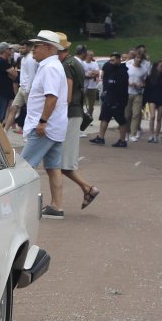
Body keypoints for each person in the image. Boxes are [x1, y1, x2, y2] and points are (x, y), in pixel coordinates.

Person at [18, 30, 69, 219]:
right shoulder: (52, 66)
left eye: (36, 46)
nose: (33, 49)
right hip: (54, 126)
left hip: (45, 127)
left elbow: (51, 97)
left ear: (48, 47)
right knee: (53, 167)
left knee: (24, 167)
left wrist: (42, 121)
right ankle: (57, 206)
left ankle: (20, 207)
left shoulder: (50, 68)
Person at [57, 37, 101, 209]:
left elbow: (67, 96)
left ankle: (87, 188)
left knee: (62, 162)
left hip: (70, 113)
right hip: (74, 113)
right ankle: (86, 189)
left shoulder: (67, 65)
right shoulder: (74, 63)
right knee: (60, 162)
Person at [91, 51, 132, 147]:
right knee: (104, 118)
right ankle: (100, 138)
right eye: (110, 60)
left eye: (113, 60)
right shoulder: (108, 67)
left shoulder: (123, 71)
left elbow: (122, 88)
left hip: (118, 100)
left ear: (118, 60)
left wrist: (118, 102)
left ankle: (122, 140)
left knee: (121, 119)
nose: (111, 62)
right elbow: (105, 79)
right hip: (108, 98)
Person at [143, 60, 162, 144]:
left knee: (159, 118)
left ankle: (156, 135)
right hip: (152, 98)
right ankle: (151, 134)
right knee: (152, 116)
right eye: (161, 66)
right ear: (156, 67)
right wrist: (144, 101)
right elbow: (147, 89)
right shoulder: (150, 77)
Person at [125, 47, 151, 140]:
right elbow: (123, 79)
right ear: (134, 58)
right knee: (127, 114)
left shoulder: (144, 70)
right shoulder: (128, 66)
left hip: (138, 94)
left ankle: (133, 134)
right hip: (128, 92)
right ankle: (126, 132)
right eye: (137, 57)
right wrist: (129, 83)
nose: (138, 60)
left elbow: (145, 82)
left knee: (136, 114)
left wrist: (142, 85)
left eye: (140, 58)